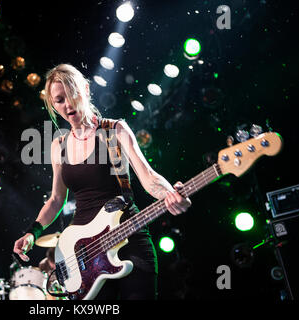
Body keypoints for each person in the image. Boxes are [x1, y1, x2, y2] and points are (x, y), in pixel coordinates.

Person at [13, 63, 191, 300]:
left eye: (71, 94)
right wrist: (32, 233)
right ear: (53, 106)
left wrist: (171, 194)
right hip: (84, 253)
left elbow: (148, 177)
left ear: (85, 90)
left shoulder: (115, 130)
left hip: (128, 239)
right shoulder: (59, 146)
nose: (67, 104)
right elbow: (56, 200)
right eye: (58, 100)